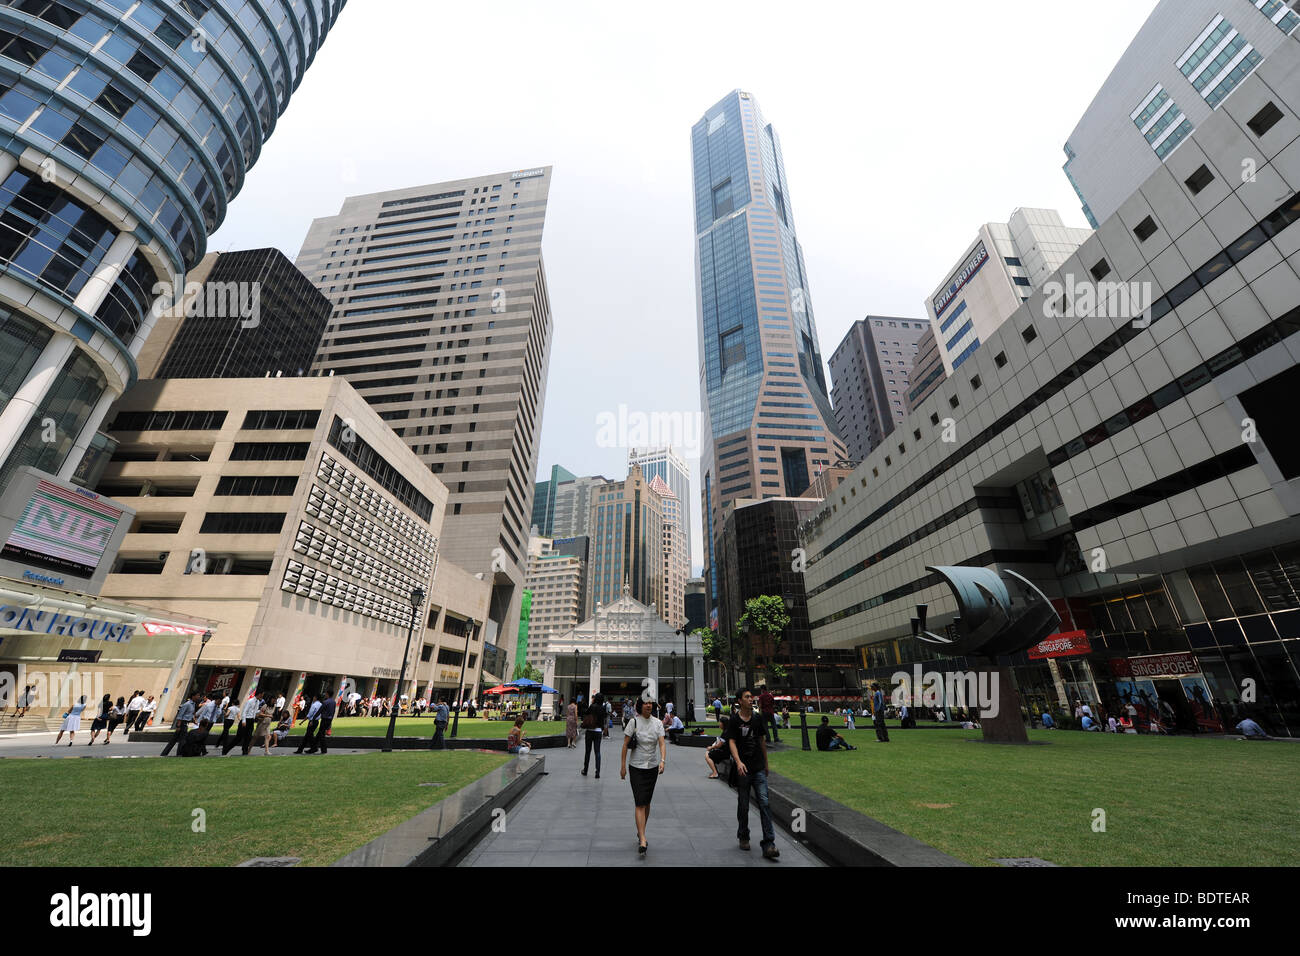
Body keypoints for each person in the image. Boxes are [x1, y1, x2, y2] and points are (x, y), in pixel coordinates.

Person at [727, 688, 778, 860]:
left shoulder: (757, 719)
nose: (751, 699)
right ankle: (743, 835)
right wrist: (738, 761)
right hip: (743, 769)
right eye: (747, 697)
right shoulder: (734, 720)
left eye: (751, 697)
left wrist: (766, 763)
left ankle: (769, 843)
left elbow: (761, 741)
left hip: (757, 768)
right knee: (743, 804)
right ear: (740, 701)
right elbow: (731, 742)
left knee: (764, 802)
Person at [621, 696, 666, 855]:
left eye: (650, 703)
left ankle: (641, 831)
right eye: (645, 703)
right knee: (640, 802)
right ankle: (642, 839)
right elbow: (625, 745)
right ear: (640, 706)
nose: (648, 705)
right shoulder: (633, 722)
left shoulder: (658, 723)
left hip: (652, 767)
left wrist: (662, 760)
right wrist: (623, 767)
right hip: (636, 767)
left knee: (646, 803)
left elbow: (661, 743)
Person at [582, 693, 605, 777]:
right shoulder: (603, 708)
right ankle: (597, 772)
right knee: (597, 751)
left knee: (588, 751)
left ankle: (585, 770)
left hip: (590, 730)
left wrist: (592, 703)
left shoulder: (592, 706)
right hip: (598, 731)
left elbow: (586, 712)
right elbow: (603, 719)